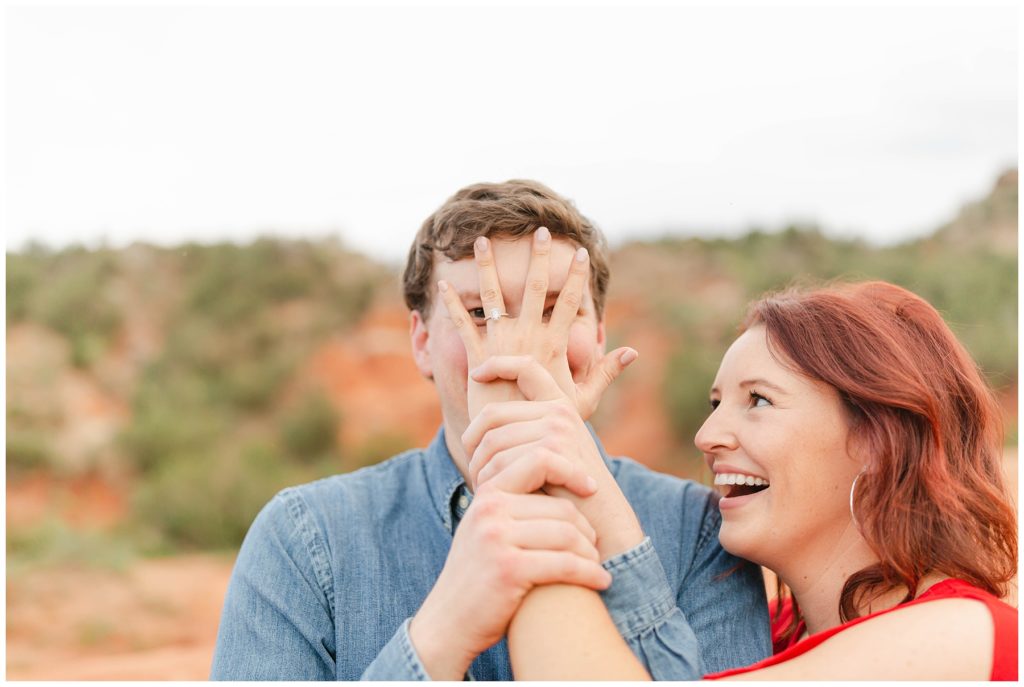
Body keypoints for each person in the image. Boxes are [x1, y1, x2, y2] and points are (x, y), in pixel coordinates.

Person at [209, 180, 771, 680]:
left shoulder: (701, 532)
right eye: (481, 313)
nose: (520, 345)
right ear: (421, 340)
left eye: (555, 308)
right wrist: (441, 633)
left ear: (598, 334)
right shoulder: (306, 539)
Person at [450, 277, 1018, 680]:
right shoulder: (759, 632)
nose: (707, 434)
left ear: (876, 438)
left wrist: (530, 465)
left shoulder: (960, 636)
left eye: (759, 401)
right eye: (715, 401)